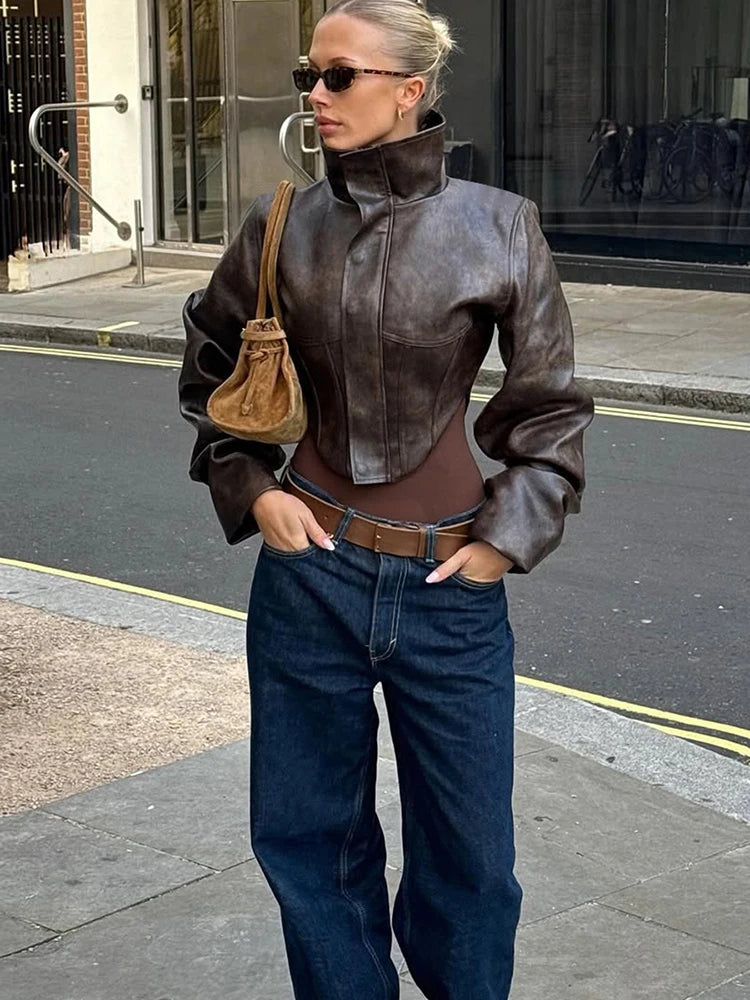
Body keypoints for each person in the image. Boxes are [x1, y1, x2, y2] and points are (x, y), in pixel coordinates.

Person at [178, 1, 594, 997]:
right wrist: (250, 487)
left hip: (451, 586)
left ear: (411, 89)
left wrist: (504, 538)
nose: (316, 95)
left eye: (339, 75)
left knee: (473, 862)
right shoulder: (279, 223)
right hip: (308, 578)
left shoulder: (498, 225)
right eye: (308, 76)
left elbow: (550, 411)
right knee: (308, 843)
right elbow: (210, 372)